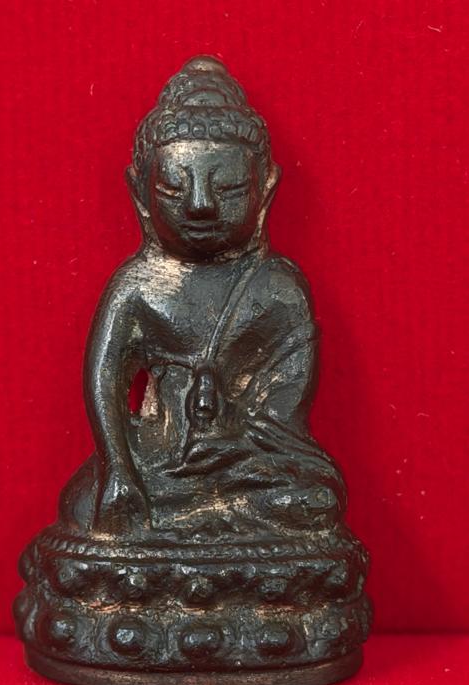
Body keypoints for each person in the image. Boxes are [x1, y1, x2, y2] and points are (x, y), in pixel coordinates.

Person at [59, 56, 346, 539]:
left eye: (229, 188)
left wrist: (234, 445)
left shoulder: (278, 289)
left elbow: (284, 416)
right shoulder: (137, 286)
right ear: (139, 194)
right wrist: (119, 469)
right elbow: (104, 378)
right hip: (158, 457)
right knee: (86, 504)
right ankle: (194, 522)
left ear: (265, 191)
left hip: (245, 465)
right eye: (174, 187)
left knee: (314, 501)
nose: (200, 206)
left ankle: (197, 523)